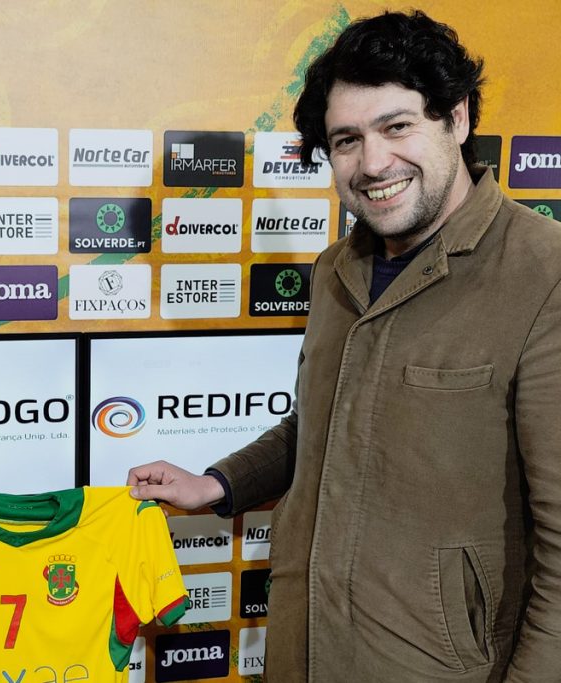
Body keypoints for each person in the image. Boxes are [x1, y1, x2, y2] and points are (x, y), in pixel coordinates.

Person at [129, 11, 561, 682]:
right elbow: (323, 424)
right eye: (348, 140)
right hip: (303, 656)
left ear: (457, 118)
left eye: (397, 126)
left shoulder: (545, 275)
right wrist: (218, 483)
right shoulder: (336, 268)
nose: (374, 162)